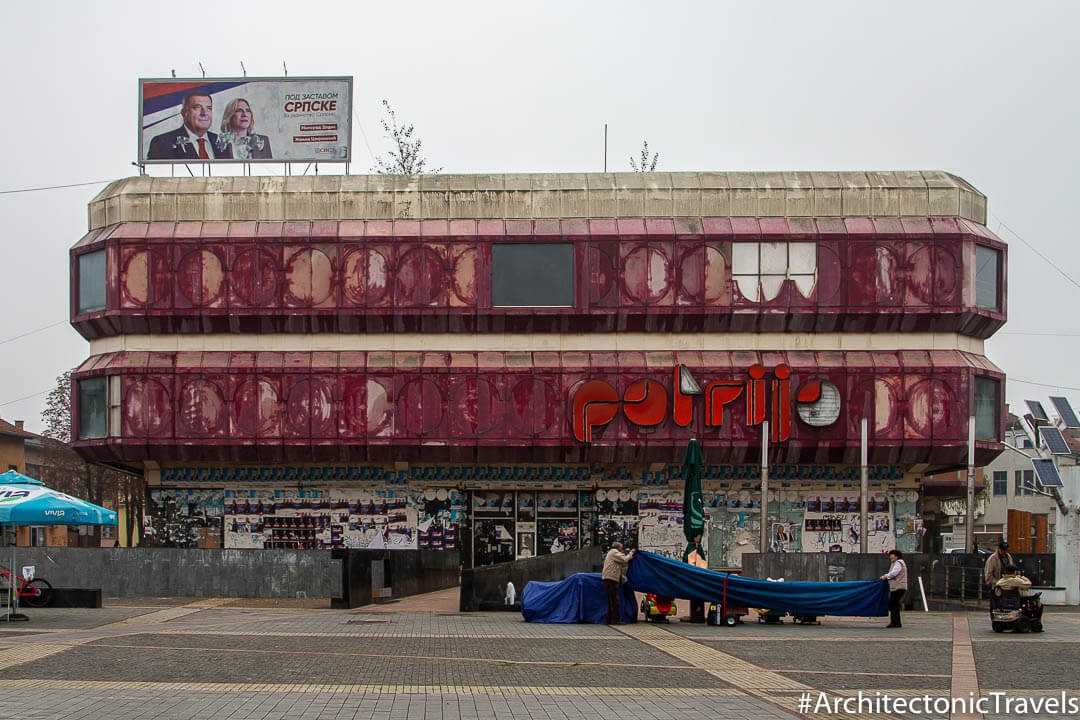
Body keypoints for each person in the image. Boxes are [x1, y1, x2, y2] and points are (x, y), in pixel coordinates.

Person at [146, 91, 233, 161]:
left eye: (208, 108)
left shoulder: (222, 142)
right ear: (184, 113)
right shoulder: (162, 143)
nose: (204, 113)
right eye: (197, 107)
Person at [602, 541, 634, 625]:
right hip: (611, 580)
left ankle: (609, 620)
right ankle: (615, 620)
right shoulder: (614, 552)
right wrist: (631, 553)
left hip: (608, 579)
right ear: (618, 547)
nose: (622, 549)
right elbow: (624, 559)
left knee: (611, 601)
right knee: (615, 601)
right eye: (621, 548)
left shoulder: (611, 553)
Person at [879, 549, 907, 628]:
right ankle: (896, 622)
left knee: (892, 604)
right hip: (899, 587)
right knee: (894, 604)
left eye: (892, 555)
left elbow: (894, 573)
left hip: (898, 587)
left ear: (896, 556)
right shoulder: (899, 562)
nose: (890, 557)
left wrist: (886, 576)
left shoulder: (898, 563)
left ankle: (895, 622)